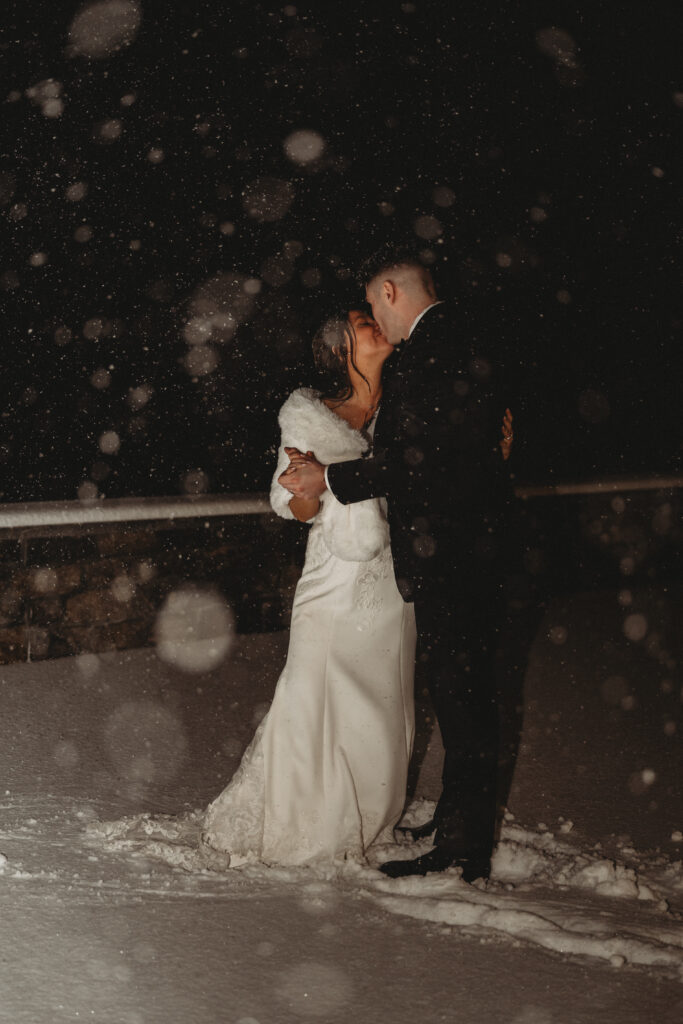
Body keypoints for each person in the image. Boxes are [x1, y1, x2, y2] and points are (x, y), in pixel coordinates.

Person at [279, 247, 516, 882]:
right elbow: (453, 448)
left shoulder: (431, 353)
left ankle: (464, 847)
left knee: (462, 701)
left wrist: (328, 476)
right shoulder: (460, 339)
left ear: (388, 292)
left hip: (457, 556)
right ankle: (458, 822)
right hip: (462, 552)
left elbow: (420, 458)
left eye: (370, 310)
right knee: (461, 697)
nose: (375, 327)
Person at [198, 309, 417, 867]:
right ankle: (310, 823)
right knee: (317, 695)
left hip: (394, 578)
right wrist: (302, 487)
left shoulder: (406, 406)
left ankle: (373, 816)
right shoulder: (309, 416)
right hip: (335, 580)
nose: (373, 323)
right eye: (360, 321)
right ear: (341, 347)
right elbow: (295, 508)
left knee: (385, 702)